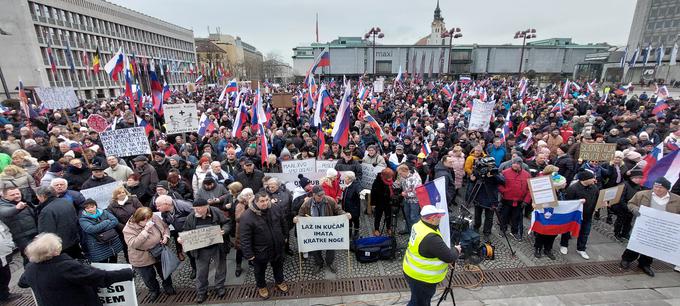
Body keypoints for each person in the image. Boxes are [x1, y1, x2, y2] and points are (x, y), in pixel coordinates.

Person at [18, 233, 134, 306]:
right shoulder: (65, 266)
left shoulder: (30, 268)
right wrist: (127, 273)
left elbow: (22, 283)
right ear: (54, 251)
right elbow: (98, 277)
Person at [620, 177, 680, 277]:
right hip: (643, 226)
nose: (657, 189)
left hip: (662, 229)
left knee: (651, 247)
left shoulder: (677, 200)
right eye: (655, 186)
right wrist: (635, 209)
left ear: (667, 189)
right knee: (636, 244)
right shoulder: (642, 194)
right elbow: (631, 203)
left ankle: (645, 264)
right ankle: (626, 259)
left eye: (660, 188)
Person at [403, 205, 460, 306]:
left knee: (420, 300)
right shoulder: (431, 238)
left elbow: (431, 251)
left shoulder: (418, 225)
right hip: (422, 279)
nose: (440, 218)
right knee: (418, 302)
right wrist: (456, 250)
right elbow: (450, 257)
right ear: (432, 219)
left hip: (412, 273)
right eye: (439, 216)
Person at [239, 191, 288, 299]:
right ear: (256, 201)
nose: (265, 203)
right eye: (262, 201)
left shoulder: (275, 208)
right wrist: (249, 254)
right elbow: (245, 238)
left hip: (277, 246)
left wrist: (285, 236)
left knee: (278, 266)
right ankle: (261, 286)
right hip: (260, 250)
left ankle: (279, 281)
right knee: (260, 270)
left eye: (267, 200)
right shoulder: (247, 216)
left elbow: (283, 222)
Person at [179, 198, 230, 303]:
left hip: (217, 246)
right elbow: (185, 230)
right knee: (201, 272)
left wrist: (224, 230)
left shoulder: (216, 212)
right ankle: (201, 292)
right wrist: (181, 238)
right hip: (201, 249)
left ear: (206, 207)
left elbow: (227, 223)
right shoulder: (191, 217)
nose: (197, 211)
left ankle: (219, 287)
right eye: (195, 209)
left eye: (199, 209)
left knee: (220, 268)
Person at [123, 207, 175, 302]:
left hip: (159, 251)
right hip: (142, 256)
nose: (149, 221)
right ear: (138, 219)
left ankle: (168, 286)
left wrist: (165, 236)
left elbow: (165, 228)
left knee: (164, 271)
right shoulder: (128, 228)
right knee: (148, 276)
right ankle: (154, 290)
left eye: (150, 218)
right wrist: (145, 231)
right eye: (145, 220)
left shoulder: (153, 217)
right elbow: (134, 244)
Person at [295, 186, 351, 273]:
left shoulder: (329, 200)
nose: (322, 197)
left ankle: (330, 262)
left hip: (328, 230)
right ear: (313, 195)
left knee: (331, 247)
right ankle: (319, 263)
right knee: (315, 248)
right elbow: (301, 214)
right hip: (314, 231)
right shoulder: (307, 204)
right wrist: (297, 218)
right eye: (319, 196)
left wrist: (345, 215)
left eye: (323, 195)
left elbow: (338, 210)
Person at [559, 170, 600, 260]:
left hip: (587, 215)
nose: (594, 180)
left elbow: (596, 199)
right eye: (592, 178)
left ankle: (581, 249)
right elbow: (568, 203)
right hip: (574, 215)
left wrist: (596, 208)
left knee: (585, 232)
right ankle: (564, 245)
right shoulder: (573, 189)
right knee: (567, 230)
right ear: (585, 179)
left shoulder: (594, 188)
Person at [35, 186, 82, 259]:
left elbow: (46, 233)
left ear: (42, 196)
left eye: (37, 196)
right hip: (73, 240)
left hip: (60, 247)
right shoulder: (66, 201)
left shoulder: (46, 211)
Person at [530, 174, 570, 260]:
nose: (566, 184)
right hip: (546, 215)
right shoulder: (547, 192)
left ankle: (548, 249)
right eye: (564, 182)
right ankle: (538, 248)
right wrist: (535, 204)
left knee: (553, 233)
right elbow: (537, 200)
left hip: (555, 217)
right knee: (542, 233)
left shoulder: (562, 192)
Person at [155, 194, 196, 276]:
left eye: (159, 206)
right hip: (182, 234)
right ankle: (195, 268)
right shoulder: (164, 213)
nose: (157, 208)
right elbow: (165, 224)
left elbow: (198, 215)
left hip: (193, 232)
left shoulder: (183, 205)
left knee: (199, 252)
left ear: (166, 204)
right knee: (189, 253)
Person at [469, 158, 505, 241]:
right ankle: (476, 227)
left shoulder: (495, 171)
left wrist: (494, 176)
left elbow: (503, 181)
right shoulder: (479, 169)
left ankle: (487, 232)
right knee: (477, 214)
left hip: (491, 199)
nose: (487, 168)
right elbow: (472, 179)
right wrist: (471, 180)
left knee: (489, 218)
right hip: (479, 196)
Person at [0, 186, 37, 265]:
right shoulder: (2, 206)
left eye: (18, 193)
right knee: (30, 258)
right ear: (4, 196)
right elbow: (6, 212)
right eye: (12, 195)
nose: (16, 196)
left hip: (34, 232)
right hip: (22, 237)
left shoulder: (23, 201)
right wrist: (17, 208)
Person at [79, 199, 124, 263]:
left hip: (111, 241)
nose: (90, 209)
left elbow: (115, 221)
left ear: (96, 206)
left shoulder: (104, 212)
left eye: (92, 207)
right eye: (87, 208)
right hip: (98, 244)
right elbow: (91, 229)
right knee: (103, 263)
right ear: (84, 209)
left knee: (114, 259)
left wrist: (100, 229)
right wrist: (106, 222)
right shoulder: (83, 219)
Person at [498, 157, 531, 240]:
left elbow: (529, 190)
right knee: (504, 216)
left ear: (521, 164)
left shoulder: (527, 175)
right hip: (506, 200)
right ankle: (503, 229)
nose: (515, 165)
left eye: (517, 163)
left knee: (516, 217)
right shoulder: (504, 172)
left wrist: (526, 201)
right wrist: (504, 192)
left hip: (520, 201)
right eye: (514, 163)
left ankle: (514, 231)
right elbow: (499, 185)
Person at [106, 186, 142, 262]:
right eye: (119, 193)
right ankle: (131, 263)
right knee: (127, 248)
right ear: (115, 196)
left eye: (123, 192)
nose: (122, 194)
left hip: (139, 227)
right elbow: (113, 220)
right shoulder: (111, 207)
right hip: (123, 231)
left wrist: (137, 224)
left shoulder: (134, 200)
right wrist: (125, 228)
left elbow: (141, 211)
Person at [611, 169, 644, 241]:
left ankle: (625, 233)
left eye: (640, 178)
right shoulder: (624, 185)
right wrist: (626, 207)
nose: (638, 180)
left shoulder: (639, 187)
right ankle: (617, 233)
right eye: (636, 178)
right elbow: (620, 198)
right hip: (622, 207)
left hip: (632, 208)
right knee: (620, 221)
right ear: (631, 177)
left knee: (628, 222)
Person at [394, 163, 422, 235]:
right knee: (406, 215)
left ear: (405, 171)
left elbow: (417, 192)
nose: (399, 175)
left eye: (400, 174)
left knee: (413, 217)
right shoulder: (402, 175)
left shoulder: (415, 178)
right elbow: (399, 182)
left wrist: (406, 194)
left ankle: (415, 233)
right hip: (406, 200)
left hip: (414, 201)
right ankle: (407, 229)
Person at [233, 188, 254, 277]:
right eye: (247, 195)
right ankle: (238, 266)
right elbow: (238, 218)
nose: (249, 196)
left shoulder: (254, 203)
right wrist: (248, 207)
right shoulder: (240, 205)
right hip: (241, 231)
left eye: (250, 194)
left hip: (252, 229)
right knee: (240, 249)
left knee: (251, 246)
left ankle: (250, 261)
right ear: (242, 196)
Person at [371, 168, 396, 236]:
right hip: (379, 202)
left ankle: (388, 228)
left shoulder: (391, 180)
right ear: (384, 176)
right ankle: (376, 229)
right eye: (389, 177)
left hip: (388, 201)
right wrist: (373, 204)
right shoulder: (377, 181)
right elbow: (373, 193)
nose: (391, 178)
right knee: (378, 216)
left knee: (388, 215)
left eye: (391, 177)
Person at [341, 171, 362, 239]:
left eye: (346, 177)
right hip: (346, 208)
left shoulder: (356, 185)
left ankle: (356, 233)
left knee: (355, 222)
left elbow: (359, 190)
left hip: (354, 210)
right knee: (348, 222)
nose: (344, 179)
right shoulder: (347, 185)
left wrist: (361, 193)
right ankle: (348, 234)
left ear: (350, 179)